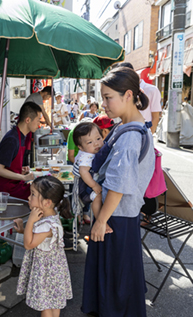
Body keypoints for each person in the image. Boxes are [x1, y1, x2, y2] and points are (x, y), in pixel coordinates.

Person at [81, 67, 155, 317]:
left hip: (116, 217)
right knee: (120, 281)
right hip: (123, 215)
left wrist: (100, 221)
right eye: (102, 97)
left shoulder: (128, 137)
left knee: (115, 284)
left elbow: (119, 184)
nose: (103, 104)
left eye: (108, 97)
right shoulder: (135, 127)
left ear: (128, 95)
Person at [13, 176, 73, 317]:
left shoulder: (45, 225)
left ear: (47, 202)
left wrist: (30, 222)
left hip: (45, 272)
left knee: (46, 306)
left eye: (33, 194)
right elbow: (37, 238)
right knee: (54, 303)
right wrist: (23, 229)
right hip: (54, 270)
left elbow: (29, 244)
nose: (28, 197)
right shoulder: (52, 216)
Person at [0, 102, 41, 200]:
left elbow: (9, 164)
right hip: (5, 190)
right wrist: (23, 177)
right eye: (38, 120)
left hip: (14, 184)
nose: (39, 124)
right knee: (39, 194)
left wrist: (20, 170)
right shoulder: (12, 139)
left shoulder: (21, 136)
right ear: (28, 120)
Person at [71, 122, 112, 234]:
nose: (96, 144)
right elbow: (83, 172)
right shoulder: (86, 157)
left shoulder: (87, 152)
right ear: (80, 147)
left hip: (83, 185)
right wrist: (94, 185)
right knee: (98, 197)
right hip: (84, 188)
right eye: (90, 142)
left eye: (98, 138)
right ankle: (100, 220)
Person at [118, 62, 162, 134]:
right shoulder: (123, 91)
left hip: (143, 134)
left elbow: (155, 118)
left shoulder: (152, 90)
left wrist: (147, 138)